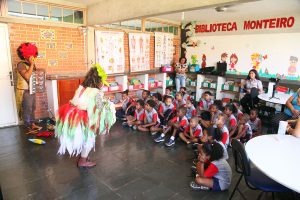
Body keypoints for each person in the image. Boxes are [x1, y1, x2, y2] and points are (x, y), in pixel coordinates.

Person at [56, 64, 116, 168]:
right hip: (83, 117)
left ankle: (83, 156)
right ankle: (82, 161)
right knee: (89, 138)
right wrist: (109, 104)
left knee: (83, 137)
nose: (102, 84)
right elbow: (98, 107)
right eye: (102, 82)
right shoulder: (97, 92)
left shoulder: (82, 88)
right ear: (99, 81)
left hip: (71, 115)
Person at [15, 42, 40, 131]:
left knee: (33, 108)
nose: (32, 57)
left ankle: (32, 124)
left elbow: (32, 76)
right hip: (25, 90)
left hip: (31, 89)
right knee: (27, 108)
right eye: (30, 55)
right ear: (25, 55)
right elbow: (26, 76)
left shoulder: (31, 64)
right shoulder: (20, 64)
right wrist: (32, 64)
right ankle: (28, 126)